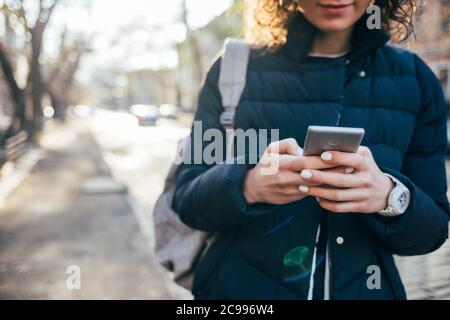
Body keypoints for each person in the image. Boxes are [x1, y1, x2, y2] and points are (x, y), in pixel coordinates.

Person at [173, 0, 450, 300]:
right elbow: (187, 201)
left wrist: (390, 196)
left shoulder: (416, 80)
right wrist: (248, 186)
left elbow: (433, 231)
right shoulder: (232, 71)